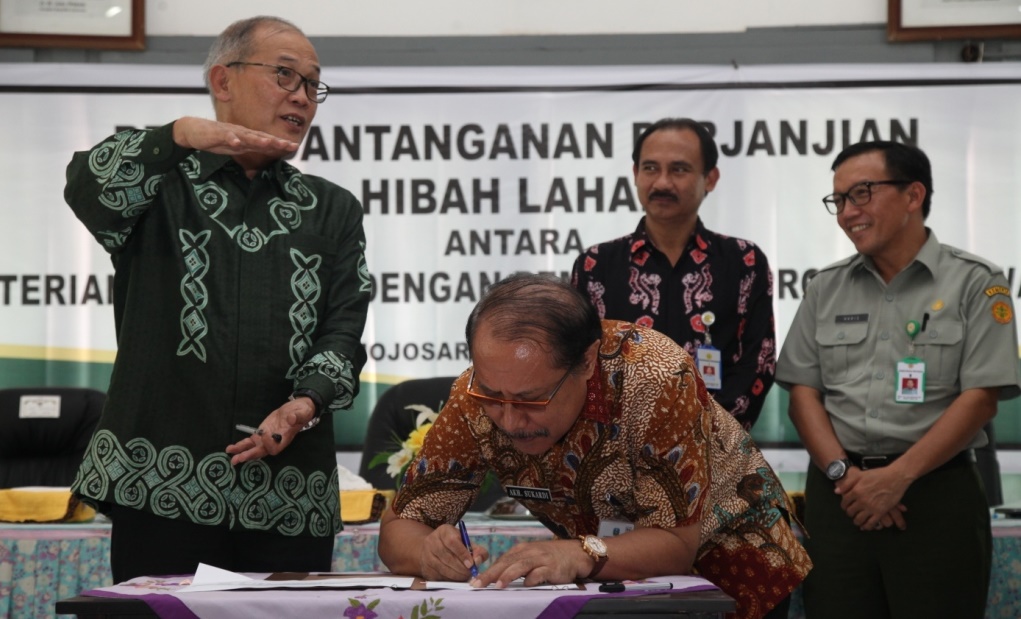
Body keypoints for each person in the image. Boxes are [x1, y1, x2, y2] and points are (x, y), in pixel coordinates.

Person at [64, 16, 370, 582]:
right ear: (222, 81)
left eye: (312, 84)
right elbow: (86, 185)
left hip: (288, 495)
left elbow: (345, 328)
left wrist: (305, 404)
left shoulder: (332, 209)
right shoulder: (158, 186)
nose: (302, 97)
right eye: (285, 75)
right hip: (158, 485)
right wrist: (177, 135)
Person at [377, 273, 810, 619]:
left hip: (730, 564)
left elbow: (675, 544)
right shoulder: (473, 398)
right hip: (608, 579)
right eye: (494, 397)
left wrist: (580, 550)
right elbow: (398, 531)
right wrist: (427, 554)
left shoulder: (657, 377)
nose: (509, 421)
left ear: (586, 362)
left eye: (531, 400)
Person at [775, 140, 1021, 618]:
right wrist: (848, 478)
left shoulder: (976, 282)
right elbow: (803, 394)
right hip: (840, 498)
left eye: (862, 194)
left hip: (935, 497)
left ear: (914, 195)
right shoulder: (825, 288)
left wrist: (897, 478)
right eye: (839, 200)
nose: (848, 213)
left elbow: (981, 399)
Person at [572, 118, 775, 430]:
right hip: (620, 453)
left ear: (710, 178)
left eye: (679, 169)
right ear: (635, 174)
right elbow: (581, 365)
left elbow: (757, 365)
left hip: (716, 452)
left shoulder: (744, 262)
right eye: (651, 168)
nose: (662, 183)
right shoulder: (595, 265)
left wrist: (702, 435)